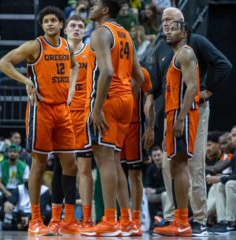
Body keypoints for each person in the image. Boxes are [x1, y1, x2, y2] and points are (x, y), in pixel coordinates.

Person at [150, 7, 232, 236]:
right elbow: (156, 85)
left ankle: (199, 220)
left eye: (170, 20)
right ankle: (174, 216)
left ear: (182, 23)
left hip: (191, 110)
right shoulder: (163, 49)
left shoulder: (195, 43)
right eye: (163, 20)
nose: (165, 24)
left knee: (193, 164)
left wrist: (209, 91)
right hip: (170, 112)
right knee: (169, 166)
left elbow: (224, 64)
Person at [0, 6, 79, 236]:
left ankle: (63, 220)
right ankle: (35, 220)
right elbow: (3, 63)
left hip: (63, 110)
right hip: (40, 110)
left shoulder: (66, 46)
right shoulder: (35, 45)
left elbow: (75, 67)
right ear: (42, 26)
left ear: (61, 24)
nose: (50, 24)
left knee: (70, 165)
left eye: (54, 20)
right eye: (46, 21)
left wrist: (71, 89)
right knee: (39, 164)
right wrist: (26, 80)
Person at [81, 0, 144, 237]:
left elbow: (106, 71)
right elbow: (138, 77)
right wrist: (127, 97)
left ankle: (109, 221)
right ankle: (126, 221)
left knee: (105, 160)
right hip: (126, 100)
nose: (90, 6)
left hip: (107, 100)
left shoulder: (100, 33)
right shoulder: (125, 34)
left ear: (105, 10)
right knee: (116, 161)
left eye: (95, 3)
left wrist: (96, 109)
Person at [152, 17, 200, 237]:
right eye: (167, 28)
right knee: (173, 166)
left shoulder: (186, 53)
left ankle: (182, 221)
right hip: (172, 115)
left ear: (184, 33)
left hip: (183, 115)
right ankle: (179, 219)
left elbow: (192, 89)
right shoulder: (175, 56)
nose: (168, 31)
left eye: (173, 29)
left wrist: (180, 118)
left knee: (180, 165)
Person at [48, 15, 96, 233]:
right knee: (59, 168)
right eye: (73, 25)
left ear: (85, 31)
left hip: (82, 116)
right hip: (60, 115)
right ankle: (57, 219)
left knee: (83, 168)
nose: (77, 28)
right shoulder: (56, 52)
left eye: (80, 26)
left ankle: (85, 219)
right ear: (65, 29)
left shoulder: (91, 53)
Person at [121, 67, 154, 235]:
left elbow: (150, 98)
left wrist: (149, 128)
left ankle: (135, 218)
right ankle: (123, 218)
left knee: (135, 174)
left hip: (135, 126)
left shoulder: (141, 72)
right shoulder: (110, 69)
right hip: (116, 127)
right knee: (118, 175)